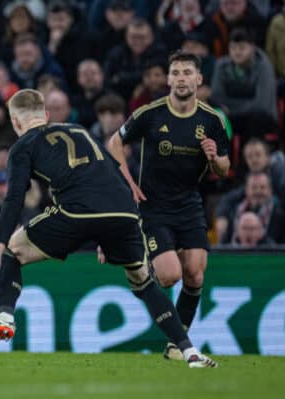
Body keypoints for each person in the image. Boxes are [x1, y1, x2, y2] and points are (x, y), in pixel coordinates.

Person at [0, 88, 217, 368]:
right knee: (142, 281)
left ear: (16, 122)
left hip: (77, 210)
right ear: (45, 115)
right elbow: (109, 168)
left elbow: (14, 199)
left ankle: (4, 317)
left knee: (14, 249)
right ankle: (189, 351)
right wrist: (109, 233)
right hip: (123, 212)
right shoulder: (79, 130)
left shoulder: (22, 146)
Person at [107, 51, 230, 361]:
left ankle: (177, 345)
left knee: (195, 274)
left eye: (187, 72)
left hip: (189, 203)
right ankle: (140, 257)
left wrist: (215, 157)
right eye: (175, 72)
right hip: (153, 205)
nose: (180, 78)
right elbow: (114, 142)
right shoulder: (151, 113)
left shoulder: (212, 120)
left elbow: (224, 169)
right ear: (168, 79)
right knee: (170, 276)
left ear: (199, 79)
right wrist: (128, 183)